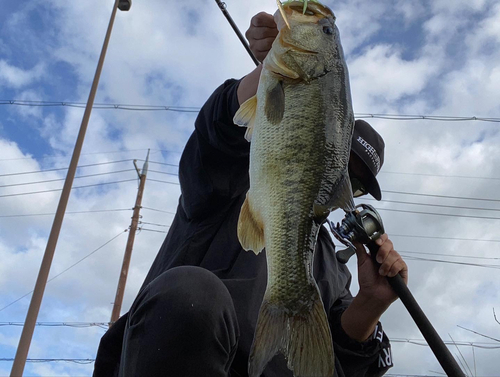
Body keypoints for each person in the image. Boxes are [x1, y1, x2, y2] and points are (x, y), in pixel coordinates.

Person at [93, 11, 408, 377]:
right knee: (193, 295)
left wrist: (369, 305)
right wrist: (272, 72)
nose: (337, 185)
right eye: (338, 168)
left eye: (354, 186)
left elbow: (336, 363)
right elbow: (216, 135)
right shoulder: (224, 187)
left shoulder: (334, 269)